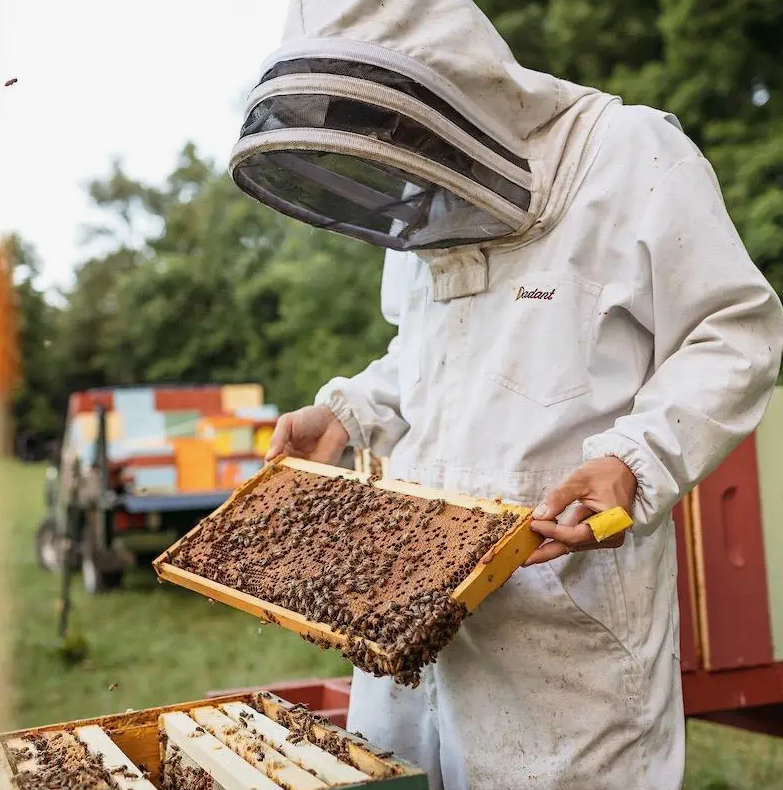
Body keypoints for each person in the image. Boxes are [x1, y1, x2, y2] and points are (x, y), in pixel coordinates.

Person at [232, 1, 783, 787]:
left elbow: (735, 330)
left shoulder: (629, 154)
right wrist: (349, 409)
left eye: (381, 120)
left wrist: (635, 460)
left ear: (444, 83)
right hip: (404, 604)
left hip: (563, 621)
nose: (387, 154)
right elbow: (427, 357)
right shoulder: (422, 203)